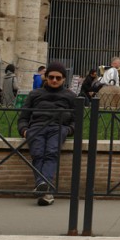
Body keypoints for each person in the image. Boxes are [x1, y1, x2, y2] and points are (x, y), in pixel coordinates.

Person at [18, 62, 77, 206]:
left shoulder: (70, 96)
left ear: (63, 79)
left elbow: (77, 120)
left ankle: (43, 185)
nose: (54, 80)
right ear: (46, 77)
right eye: (51, 77)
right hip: (36, 128)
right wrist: (24, 131)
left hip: (58, 128)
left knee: (51, 152)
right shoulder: (35, 94)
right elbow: (23, 117)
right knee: (37, 154)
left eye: (58, 78)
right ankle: (45, 190)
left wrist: (69, 130)